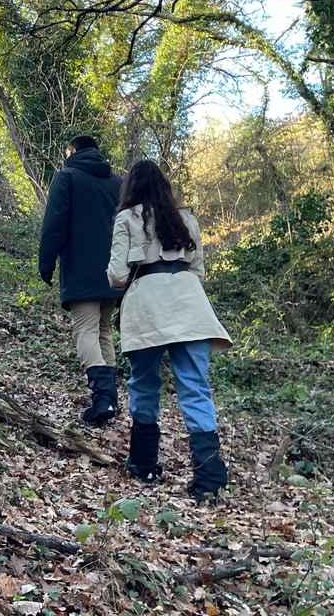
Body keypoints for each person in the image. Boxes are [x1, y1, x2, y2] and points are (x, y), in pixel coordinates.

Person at [107, 159, 231, 501]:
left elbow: (117, 276)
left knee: (144, 384)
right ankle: (209, 478)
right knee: (195, 388)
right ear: (165, 186)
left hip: (146, 305)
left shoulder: (126, 219)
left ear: (130, 187)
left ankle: (144, 463)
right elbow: (198, 269)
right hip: (189, 304)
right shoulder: (186, 218)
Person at [38, 134, 123, 425]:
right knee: (103, 331)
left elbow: (54, 222)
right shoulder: (117, 183)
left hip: (80, 269)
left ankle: (102, 399)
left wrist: (46, 263)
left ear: (72, 150)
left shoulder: (68, 177)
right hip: (113, 272)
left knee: (85, 330)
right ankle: (110, 400)